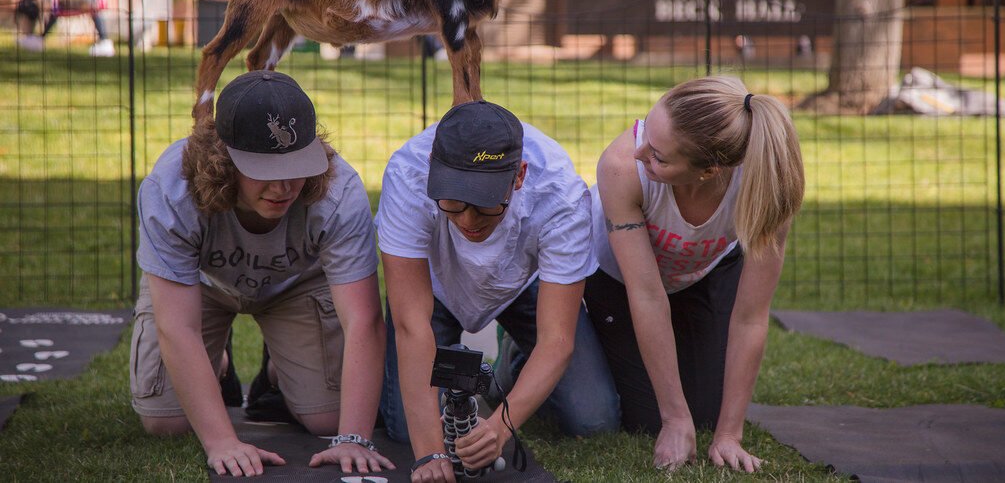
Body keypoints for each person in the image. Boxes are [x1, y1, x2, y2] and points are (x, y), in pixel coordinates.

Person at [130, 70, 394, 478]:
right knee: (166, 422)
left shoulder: (339, 190)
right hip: (199, 289)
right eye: (264, 170)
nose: (284, 186)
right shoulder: (170, 189)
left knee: (328, 420)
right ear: (222, 159)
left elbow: (363, 320)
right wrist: (221, 441)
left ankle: (277, 370)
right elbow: (177, 328)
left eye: (296, 165)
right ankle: (216, 360)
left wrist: (353, 437)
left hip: (296, 287)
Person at [376, 100, 619, 482]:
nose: (468, 221)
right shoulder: (408, 173)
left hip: (522, 284)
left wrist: (499, 427)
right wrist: (429, 454)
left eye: (487, 205)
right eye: (453, 204)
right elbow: (410, 322)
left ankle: (512, 362)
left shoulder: (562, 196)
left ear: (519, 176)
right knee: (407, 431)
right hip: (434, 287)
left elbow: (556, 339)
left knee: (594, 418)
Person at [584, 75, 804, 474]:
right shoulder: (621, 167)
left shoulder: (766, 186)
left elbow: (751, 316)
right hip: (617, 281)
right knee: (649, 418)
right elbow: (647, 295)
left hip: (701, 274)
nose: (639, 153)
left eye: (659, 157)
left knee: (706, 413)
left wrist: (729, 435)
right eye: (646, 132)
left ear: (709, 171)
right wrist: (673, 418)